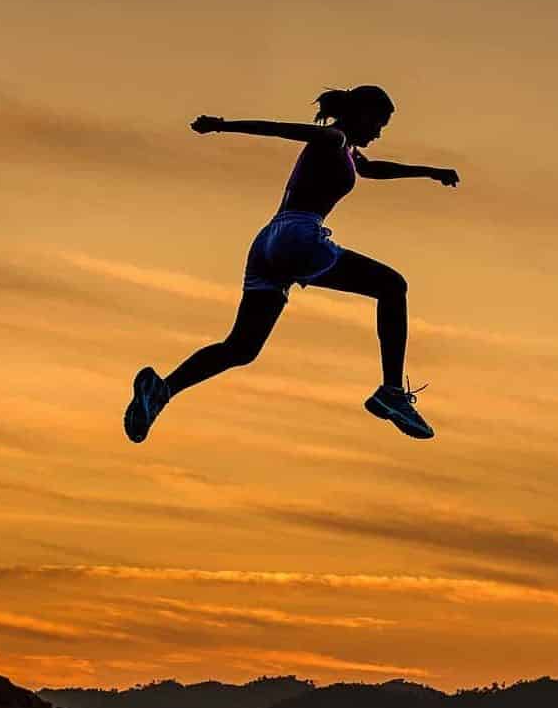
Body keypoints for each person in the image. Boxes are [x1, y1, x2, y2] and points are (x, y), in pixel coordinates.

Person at [123, 85, 459, 444]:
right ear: (360, 113)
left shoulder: (347, 149)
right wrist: (222, 125)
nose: (379, 132)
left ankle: (162, 390)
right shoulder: (334, 137)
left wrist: (430, 171)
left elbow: (373, 170)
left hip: (269, 241)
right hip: (298, 235)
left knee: (241, 347)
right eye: (379, 123)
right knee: (392, 286)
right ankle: (391, 391)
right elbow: (281, 129)